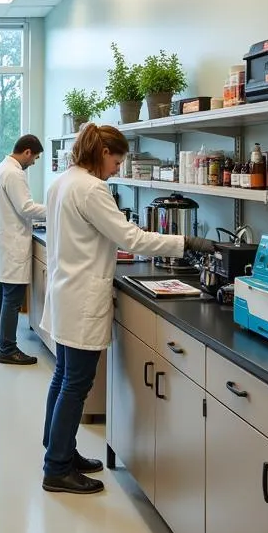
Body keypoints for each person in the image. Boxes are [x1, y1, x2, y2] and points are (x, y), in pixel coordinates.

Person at [40, 124, 215, 495]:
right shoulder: (91, 188)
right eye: (117, 160)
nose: (118, 168)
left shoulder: (64, 182)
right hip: (81, 295)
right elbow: (131, 238)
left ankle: (60, 451)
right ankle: (56, 468)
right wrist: (189, 242)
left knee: (64, 377)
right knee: (75, 382)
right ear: (103, 152)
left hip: (66, 290)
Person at [0, 134, 46, 365]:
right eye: (35, 157)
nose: (33, 163)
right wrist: (58, 209)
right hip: (12, 244)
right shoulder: (15, 173)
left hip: (1, 241)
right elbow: (26, 207)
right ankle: (7, 349)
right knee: (11, 299)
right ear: (27, 152)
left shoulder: (0, 169)